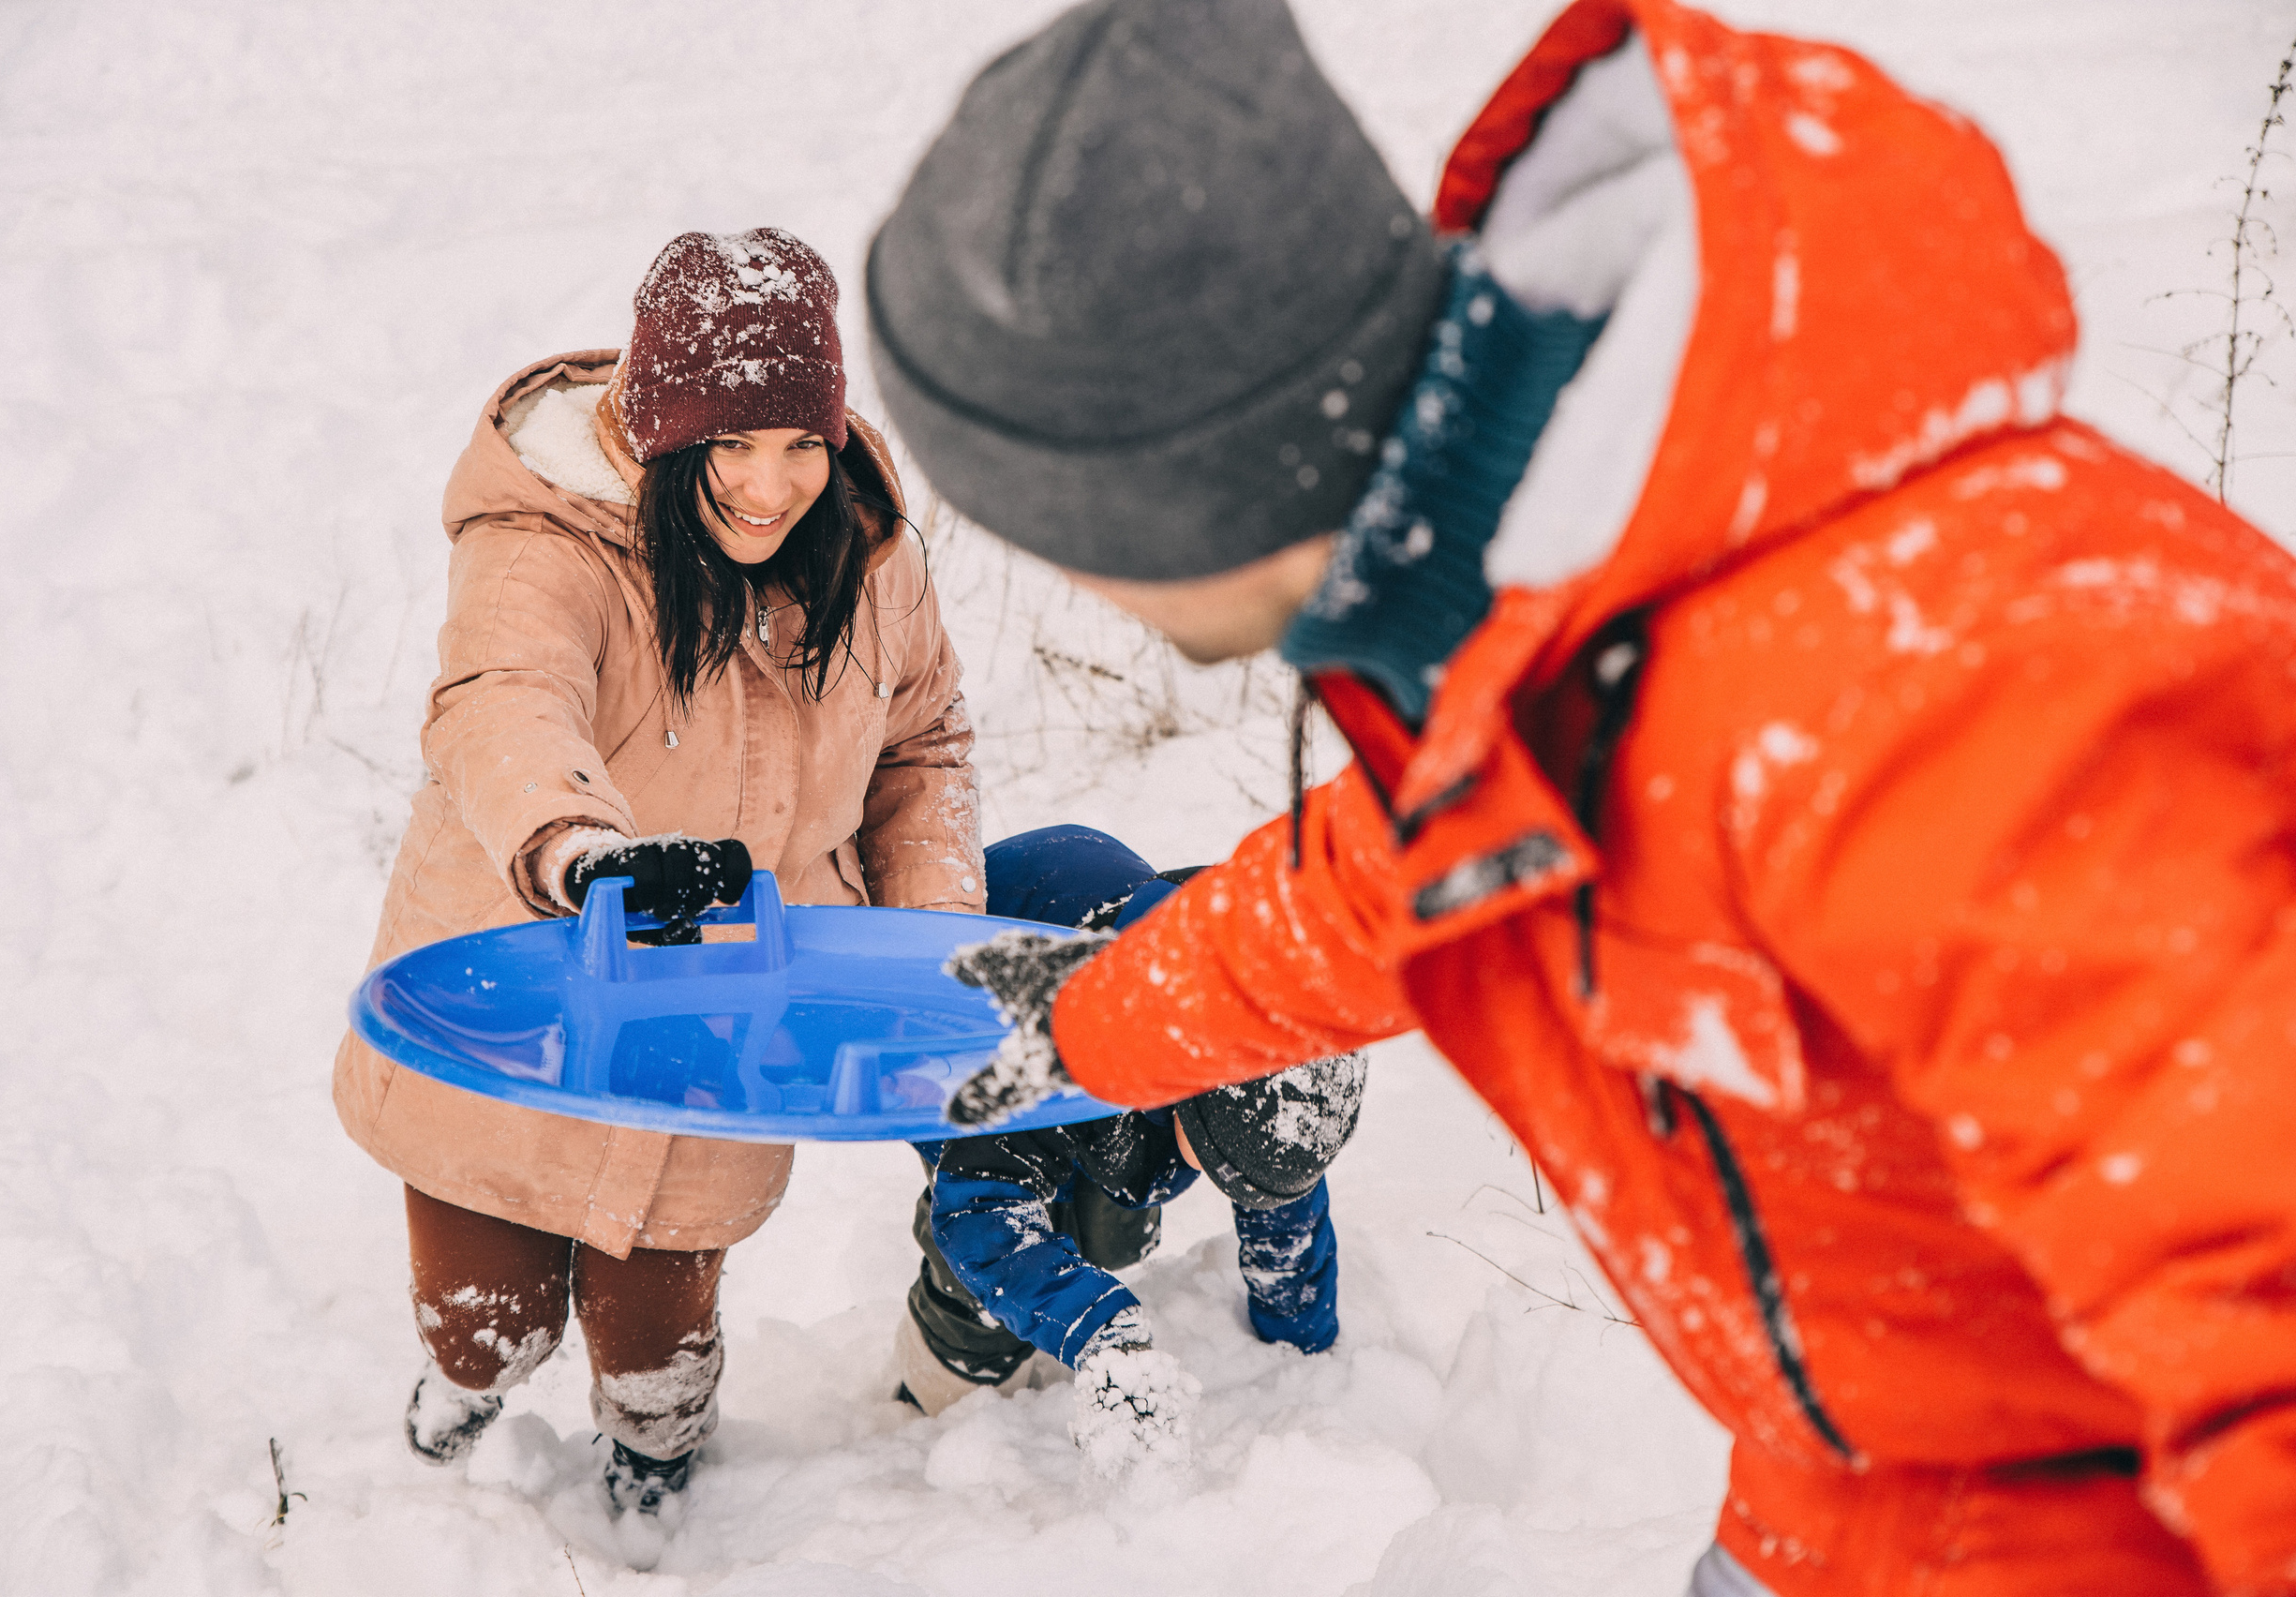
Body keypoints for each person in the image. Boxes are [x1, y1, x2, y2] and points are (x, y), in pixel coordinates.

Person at [864, 1, 2296, 1593]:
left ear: (1177, 489)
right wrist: (1081, 1025)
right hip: (1857, 1484)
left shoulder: (1913, 689)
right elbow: (1378, 885)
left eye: (1050, 530)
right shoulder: (1544, 607)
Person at [333, 228, 982, 1518]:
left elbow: (924, 743)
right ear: (665, 432)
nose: (770, 484)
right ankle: (459, 1399)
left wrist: (927, 949)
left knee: (657, 1342)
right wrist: (585, 853)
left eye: (800, 443)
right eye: (730, 445)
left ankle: (658, 1471)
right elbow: (504, 701)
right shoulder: (548, 541)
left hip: (724, 1017)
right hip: (522, 985)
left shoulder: (869, 556)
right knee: (490, 1318)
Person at [896, 828, 1364, 1471]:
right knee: (983, 1277)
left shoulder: (1261, 1048)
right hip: (964, 1046)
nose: (1232, 1187)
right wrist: (1101, 1331)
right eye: (1224, 1170)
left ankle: (1074, 1250)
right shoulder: (1038, 1056)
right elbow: (982, 1216)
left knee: (1112, 1231)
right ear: (1186, 1096)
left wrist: (1300, 1341)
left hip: (1123, 1066)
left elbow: (1283, 1198)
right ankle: (939, 1391)